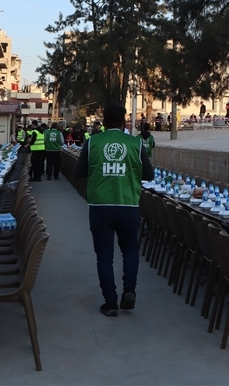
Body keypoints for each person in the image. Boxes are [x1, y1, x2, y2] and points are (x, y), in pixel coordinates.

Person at [75, 103, 153, 317]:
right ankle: (129, 291)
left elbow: (79, 172)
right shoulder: (136, 143)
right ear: (124, 121)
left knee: (104, 256)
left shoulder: (92, 143)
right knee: (129, 250)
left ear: (104, 121)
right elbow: (149, 175)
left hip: (100, 207)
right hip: (128, 205)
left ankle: (110, 302)